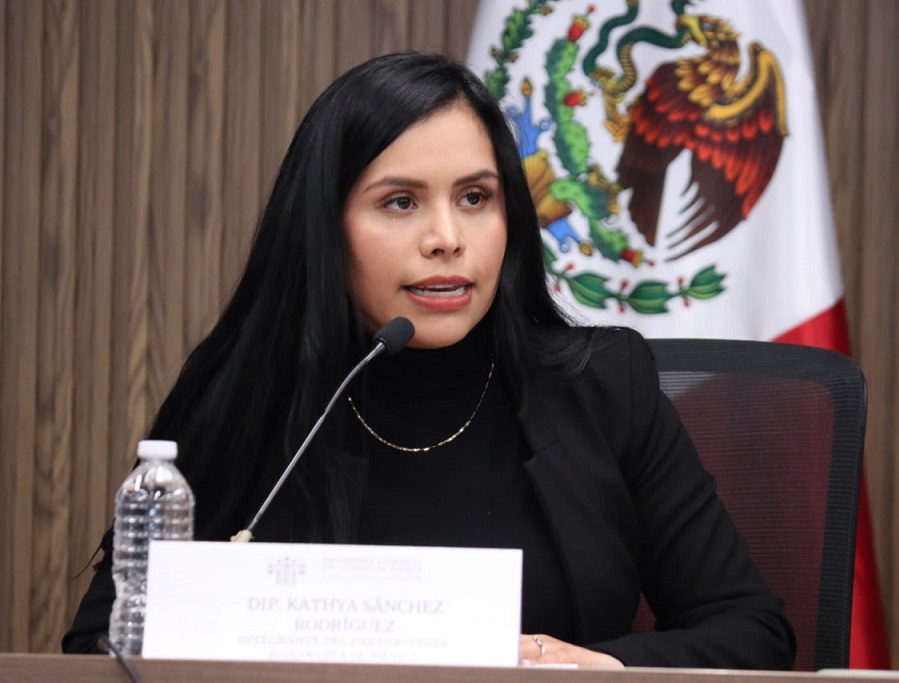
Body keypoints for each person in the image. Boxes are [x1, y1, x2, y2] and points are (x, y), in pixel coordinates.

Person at [63, 51, 795, 669]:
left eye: (475, 197)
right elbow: (103, 644)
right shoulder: (246, 390)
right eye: (400, 202)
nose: (447, 237)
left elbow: (752, 632)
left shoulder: (603, 385)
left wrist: (591, 667)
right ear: (325, 226)